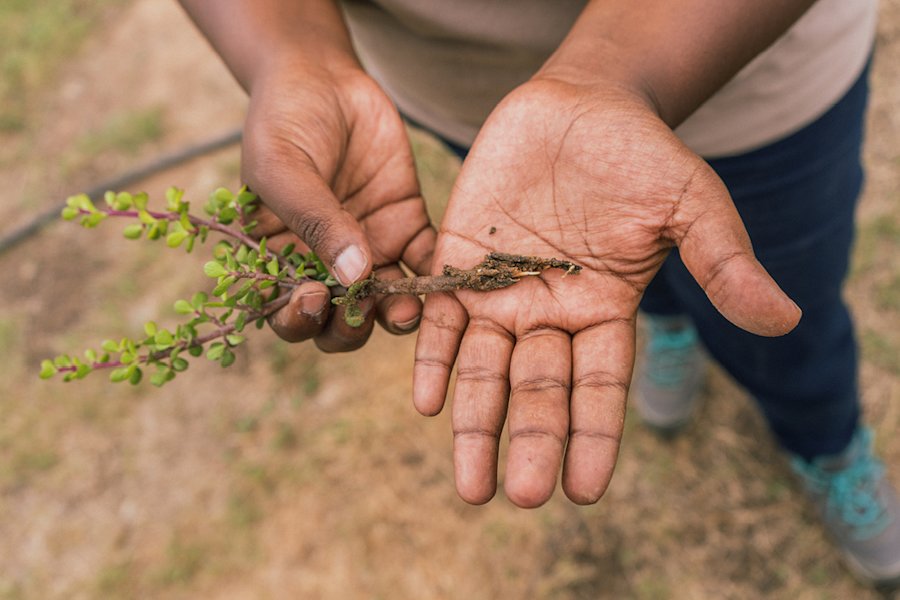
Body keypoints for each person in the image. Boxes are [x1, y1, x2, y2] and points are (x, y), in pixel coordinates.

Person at [177, 0, 900, 586]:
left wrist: (606, 77)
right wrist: (293, 53)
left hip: (757, 84)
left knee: (779, 315)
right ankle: (668, 327)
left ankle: (824, 440)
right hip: (484, 115)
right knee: (611, 277)